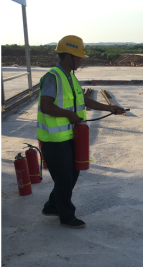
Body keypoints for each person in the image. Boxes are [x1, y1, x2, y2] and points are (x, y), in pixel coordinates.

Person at [37, 35, 124, 229]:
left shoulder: (70, 77)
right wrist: (69, 115)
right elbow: (45, 106)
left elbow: (83, 101)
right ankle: (66, 216)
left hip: (70, 136)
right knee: (65, 177)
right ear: (68, 56)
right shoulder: (52, 77)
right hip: (53, 138)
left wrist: (110, 108)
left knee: (72, 173)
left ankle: (52, 206)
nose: (81, 60)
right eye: (79, 57)